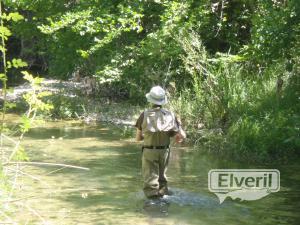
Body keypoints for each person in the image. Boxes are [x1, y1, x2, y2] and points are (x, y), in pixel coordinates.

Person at [135, 86, 186, 199]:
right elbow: (182, 135)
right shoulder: (171, 115)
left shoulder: (144, 115)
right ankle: (163, 201)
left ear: (151, 100)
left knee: (150, 182)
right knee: (162, 179)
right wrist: (177, 136)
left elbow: (138, 138)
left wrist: (149, 134)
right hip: (164, 151)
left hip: (149, 151)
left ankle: (152, 205)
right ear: (163, 101)